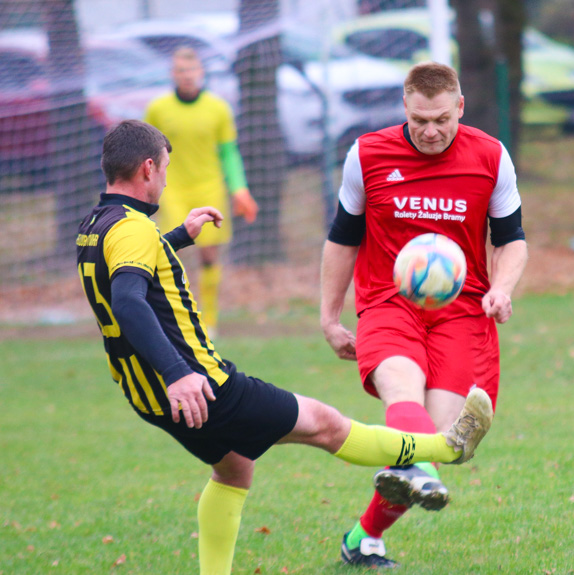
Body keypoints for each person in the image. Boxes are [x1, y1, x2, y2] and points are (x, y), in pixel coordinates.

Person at [76, 119, 494, 575]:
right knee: (325, 424)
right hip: (201, 385)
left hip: (148, 396)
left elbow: (129, 269)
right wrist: (179, 374)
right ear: (148, 167)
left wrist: (178, 237)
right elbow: (129, 300)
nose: (166, 179)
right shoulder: (134, 230)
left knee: (235, 470)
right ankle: (445, 447)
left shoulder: (98, 226)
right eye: (165, 169)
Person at [320, 62, 528, 568]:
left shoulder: (490, 157)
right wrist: (329, 317)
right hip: (388, 302)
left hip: (463, 312)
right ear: (405, 110)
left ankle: (364, 537)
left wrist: (501, 289)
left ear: (459, 107)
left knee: (431, 445)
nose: (431, 131)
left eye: (440, 119)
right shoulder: (367, 155)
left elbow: (512, 241)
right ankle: (418, 473)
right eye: (419, 120)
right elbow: (343, 240)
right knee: (403, 394)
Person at [144, 46, 257, 335]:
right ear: (173, 74)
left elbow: (229, 152)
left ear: (201, 73)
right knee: (169, 255)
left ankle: (210, 321)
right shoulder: (158, 109)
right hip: (172, 190)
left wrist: (240, 189)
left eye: (191, 70)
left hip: (208, 188)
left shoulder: (218, 108)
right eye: (181, 71)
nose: (187, 76)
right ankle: (175, 321)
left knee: (209, 256)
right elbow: (146, 152)